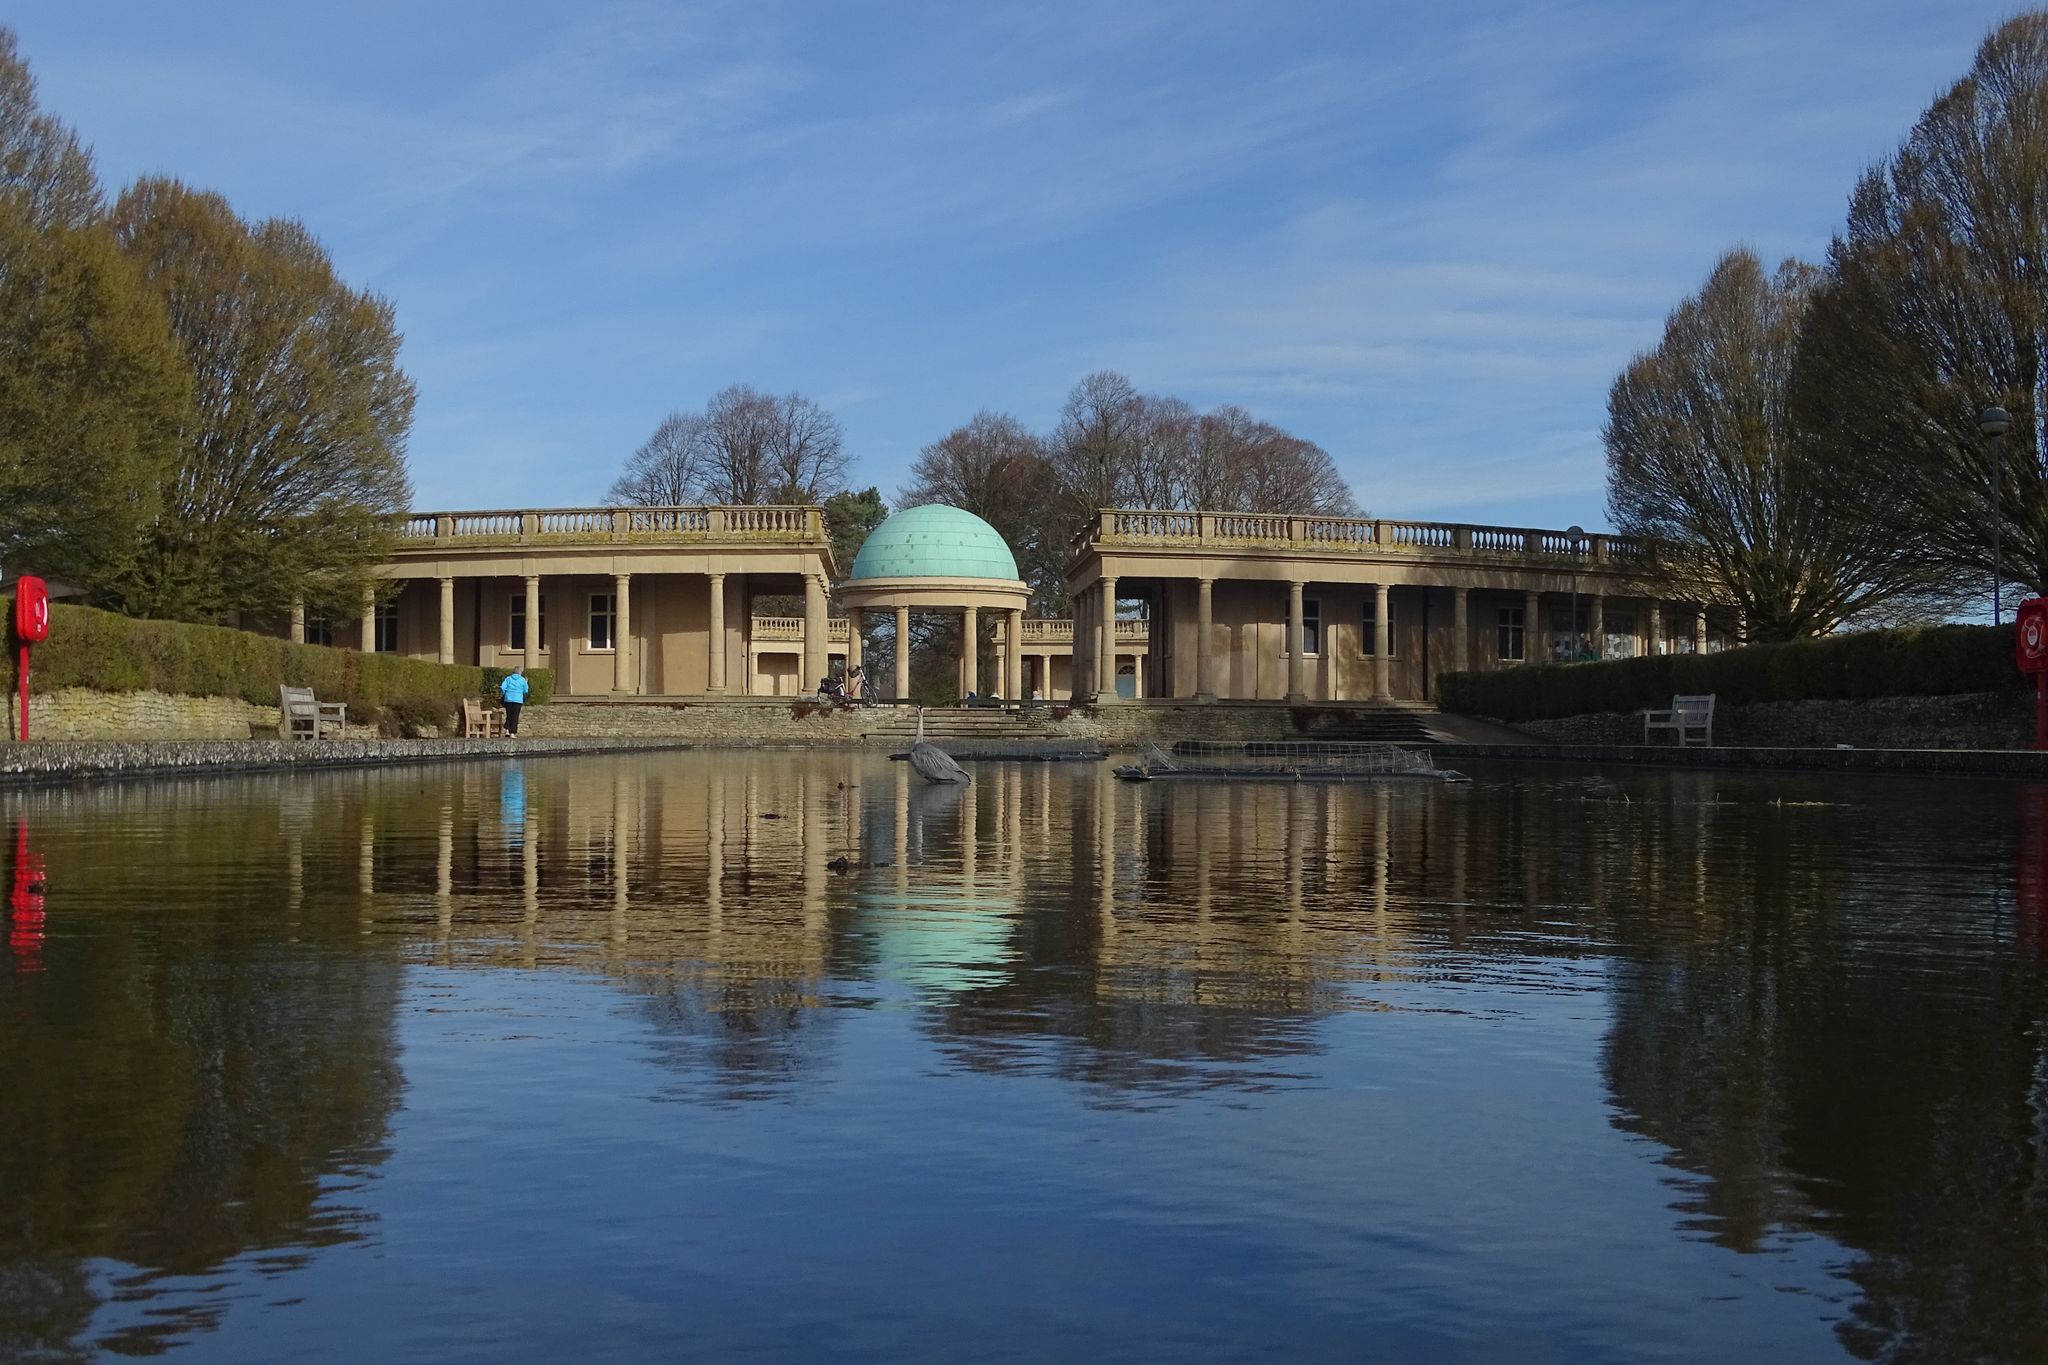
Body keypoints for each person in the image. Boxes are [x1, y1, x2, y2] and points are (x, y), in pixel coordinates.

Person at [498, 666, 530, 737]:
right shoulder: (522, 680)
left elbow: (503, 687)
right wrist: (526, 683)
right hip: (518, 700)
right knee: (515, 716)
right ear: (520, 672)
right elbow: (526, 690)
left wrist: (504, 693)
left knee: (508, 715)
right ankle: (512, 732)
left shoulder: (508, 678)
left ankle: (507, 730)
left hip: (508, 698)